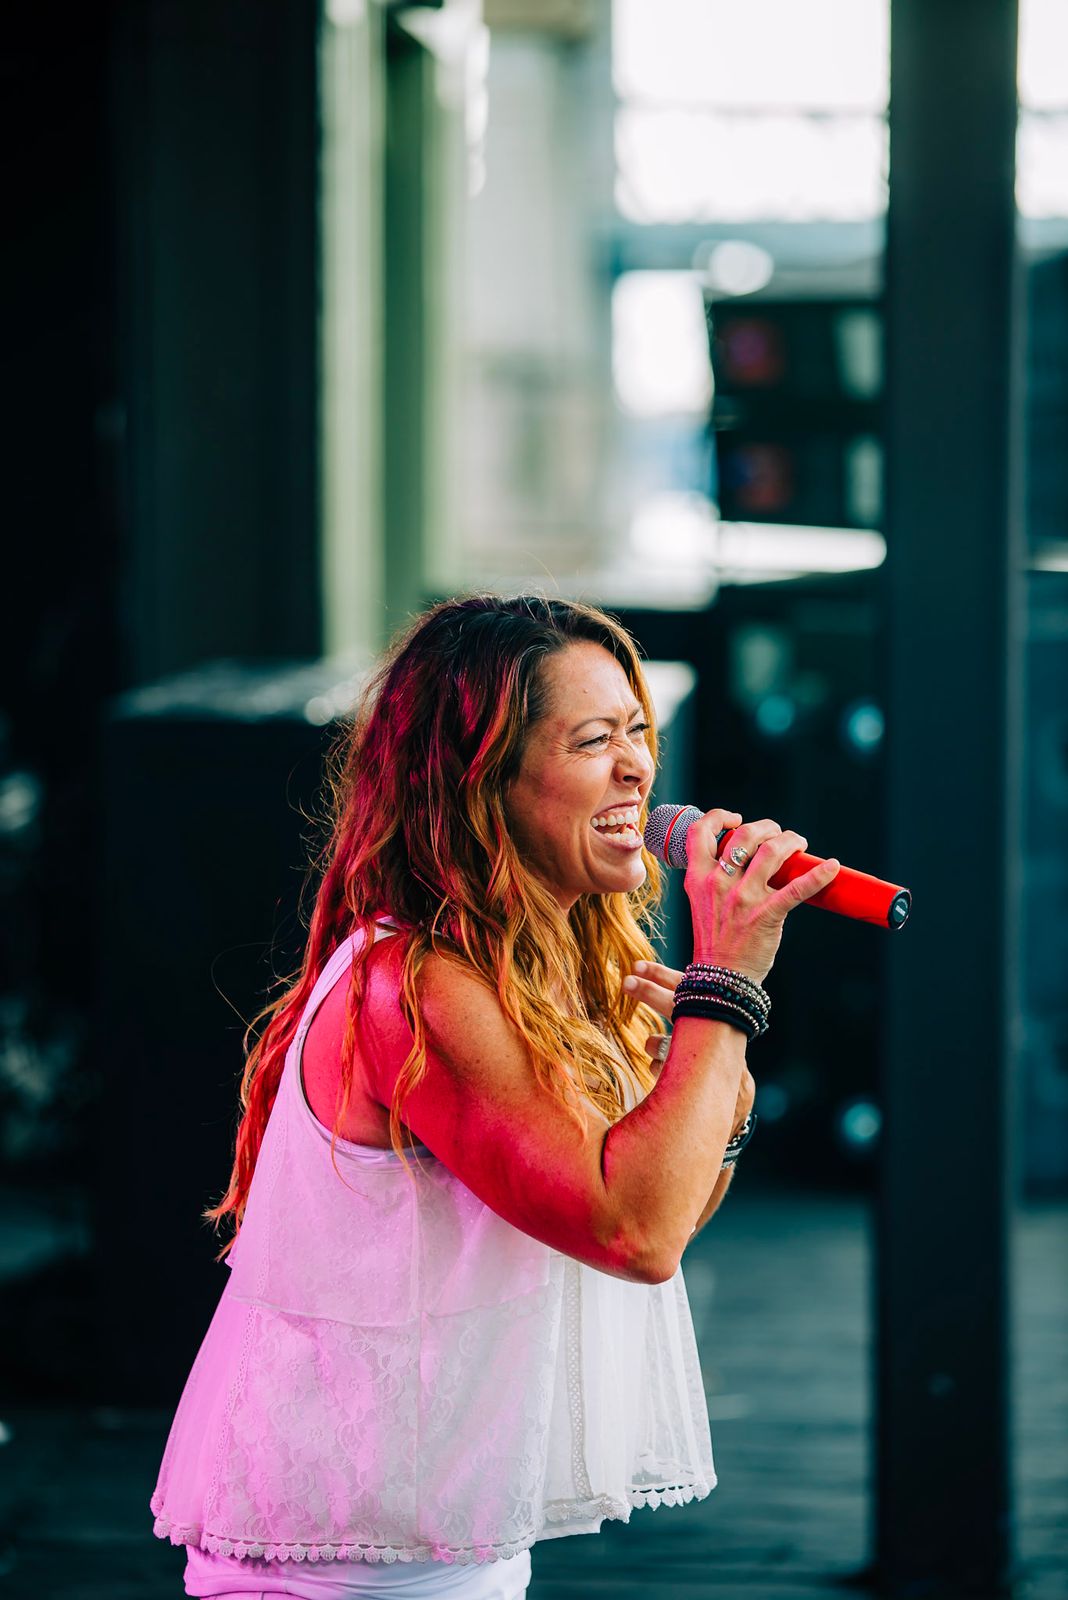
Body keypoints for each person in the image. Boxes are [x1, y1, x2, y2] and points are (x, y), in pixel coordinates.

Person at [149, 594, 840, 1600]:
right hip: (339, 1559)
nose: (637, 768)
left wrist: (712, 1085)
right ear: (481, 781)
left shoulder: (530, 973)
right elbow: (634, 1233)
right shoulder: (417, 986)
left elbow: (659, 1218)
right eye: (593, 740)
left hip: (436, 1534)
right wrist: (726, 986)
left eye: (638, 731)